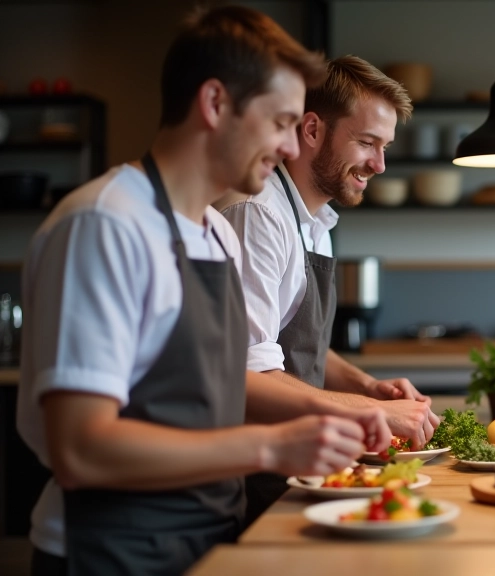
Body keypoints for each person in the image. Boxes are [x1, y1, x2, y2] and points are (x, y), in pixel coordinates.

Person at [17, 7, 390, 575]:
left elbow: (229, 385)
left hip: (206, 535)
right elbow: (80, 449)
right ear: (215, 103)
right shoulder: (104, 224)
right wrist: (271, 447)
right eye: (281, 122)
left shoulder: (215, 234)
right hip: (111, 549)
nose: (293, 147)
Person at [218, 55, 438, 523]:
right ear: (312, 130)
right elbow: (247, 373)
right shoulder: (258, 214)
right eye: (366, 142)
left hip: (300, 465)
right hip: (250, 475)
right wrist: (365, 411)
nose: (379, 164)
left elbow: (289, 342)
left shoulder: (315, 219)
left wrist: (367, 387)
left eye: (385, 147)